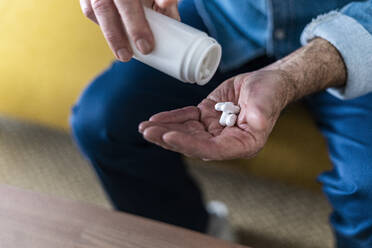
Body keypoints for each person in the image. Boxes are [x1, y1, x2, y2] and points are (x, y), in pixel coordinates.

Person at [72, 0, 372, 247]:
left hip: (357, 29)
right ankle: (193, 231)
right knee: (102, 122)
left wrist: (292, 75)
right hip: (227, 15)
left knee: (367, 186)